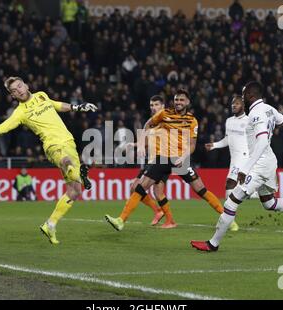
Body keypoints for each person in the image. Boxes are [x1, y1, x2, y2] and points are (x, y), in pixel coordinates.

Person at [190, 81, 283, 253]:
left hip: (260, 163)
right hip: (268, 161)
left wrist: (245, 168)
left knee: (231, 202)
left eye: (243, 95)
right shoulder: (268, 109)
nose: (242, 98)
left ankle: (213, 244)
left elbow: (263, 141)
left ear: (250, 96)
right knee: (270, 203)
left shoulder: (256, 113)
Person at [0, 76, 97, 245]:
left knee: (75, 191)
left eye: (19, 86)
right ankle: (78, 174)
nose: (18, 90)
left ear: (25, 85)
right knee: (66, 160)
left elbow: (57, 105)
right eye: (14, 90)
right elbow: (3, 127)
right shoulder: (20, 112)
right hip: (53, 145)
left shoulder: (41, 95)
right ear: (13, 96)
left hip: (69, 141)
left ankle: (50, 224)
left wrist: (78, 107)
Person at [105, 89, 224, 231]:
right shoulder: (164, 114)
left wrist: (184, 157)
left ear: (187, 102)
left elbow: (192, 145)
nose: (178, 102)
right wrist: (141, 143)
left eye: (181, 100)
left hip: (180, 159)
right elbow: (147, 124)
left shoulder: (192, 121)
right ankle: (121, 220)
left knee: (200, 190)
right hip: (162, 158)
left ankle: (226, 217)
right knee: (142, 187)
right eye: (176, 100)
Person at [129, 95, 176, 228]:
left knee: (136, 188)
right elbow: (142, 143)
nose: (153, 107)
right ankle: (168, 219)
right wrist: (134, 146)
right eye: (151, 105)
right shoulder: (148, 123)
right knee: (158, 192)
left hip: (162, 160)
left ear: (162, 106)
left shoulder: (168, 120)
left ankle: (160, 213)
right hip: (152, 160)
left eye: (156, 105)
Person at [205, 95, 247, 231]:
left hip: (244, 157)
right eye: (232, 103)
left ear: (243, 105)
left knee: (230, 184)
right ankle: (230, 219)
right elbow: (227, 139)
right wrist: (215, 145)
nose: (234, 105)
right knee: (235, 188)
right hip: (234, 159)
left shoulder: (249, 121)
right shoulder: (229, 121)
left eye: (237, 103)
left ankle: (229, 220)